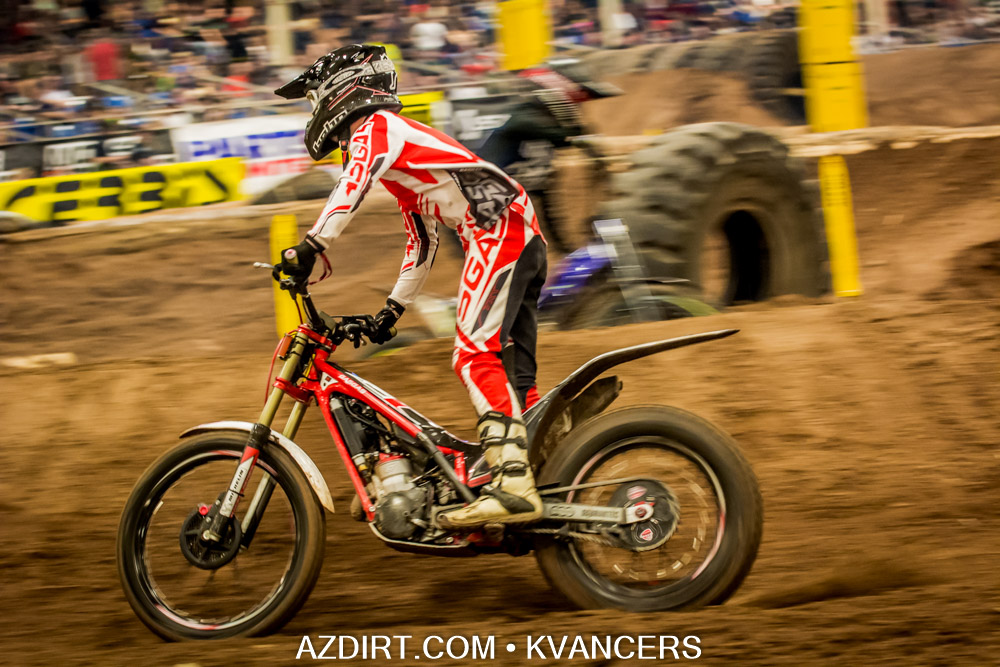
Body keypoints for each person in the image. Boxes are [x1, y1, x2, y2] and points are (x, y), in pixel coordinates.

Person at [273, 44, 545, 529]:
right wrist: (393, 309)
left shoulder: (376, 127)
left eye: (315, 97)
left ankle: (514, 486)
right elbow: (422, 241)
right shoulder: (402, 150)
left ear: (341, 89)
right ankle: (535, 462)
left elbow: (351, 187)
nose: (314, 109)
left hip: (498, 230)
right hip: (508, 228)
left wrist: (312, 246)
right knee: (510, 366)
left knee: (473, 354)